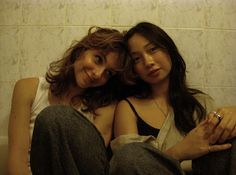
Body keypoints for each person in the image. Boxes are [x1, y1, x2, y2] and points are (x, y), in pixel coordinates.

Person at [110, 22, 236, 175]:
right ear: (133, 69)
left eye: (153, 49)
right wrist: (180, 152)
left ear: (168, 50)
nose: (148, 62)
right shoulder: (127, 107)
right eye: (137, 59)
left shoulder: (200, 102)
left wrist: (231, 114)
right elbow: (128, 164)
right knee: (129, 155)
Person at [7, 26, 130, 175]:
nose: (98, 74)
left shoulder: (104, 108)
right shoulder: (28, 89)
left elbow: (90, 165)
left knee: (56, 116)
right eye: (98, 59)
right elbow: (16, 161)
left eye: (108, 73)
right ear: (82, 50)